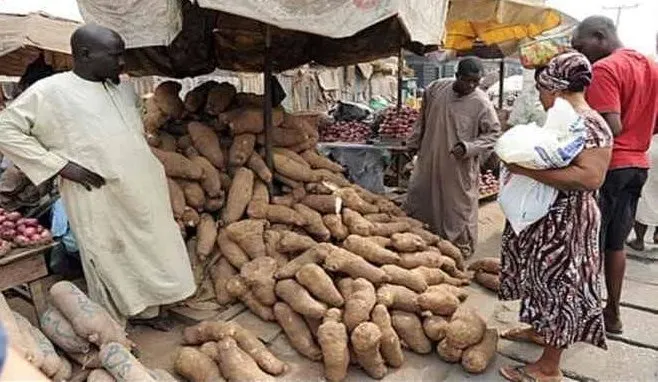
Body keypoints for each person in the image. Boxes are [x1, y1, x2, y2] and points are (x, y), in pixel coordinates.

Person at [0, 24, 196, 325]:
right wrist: (60, 166)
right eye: (115, 56)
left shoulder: (123, 89)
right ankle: (126, 318)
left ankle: (154, 307)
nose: (122, 63)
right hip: (97, 192)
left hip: (142, 187)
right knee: (110, 255)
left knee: (157, 249)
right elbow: (6, 130)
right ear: (85, 55)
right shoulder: (50, 91)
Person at [498, 52, 612, 382]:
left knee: (562, 287)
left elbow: (590, 178)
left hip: (569, 224)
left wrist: (523, 169)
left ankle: (548, 368)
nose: (541, 99)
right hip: (547, 220)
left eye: (542, 91)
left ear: (556, 89)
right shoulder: (563, 119)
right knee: (540, 279)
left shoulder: (590, 125)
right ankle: (538, 331)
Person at [572, 15, 658, 334]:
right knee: (616, 243)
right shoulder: (650, 66)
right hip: (638, 165)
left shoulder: (606, 68)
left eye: (582, 47)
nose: (582, 55)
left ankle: (583, 313)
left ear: (600, 36)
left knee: (588, 242)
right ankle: (613, 314)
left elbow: (611, 125)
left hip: (609, 168)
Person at [405, 57, 501, 257]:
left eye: (477, 82)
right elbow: (421, 120)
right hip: (429, 159)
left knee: (457, 210)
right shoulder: (436, 89)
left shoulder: (481, 102)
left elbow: (492, 135)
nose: (472, 85)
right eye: (468, 80)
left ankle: (458, 251)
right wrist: (413, 144)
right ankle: (423, 242)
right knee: (421, 200)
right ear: (457, 76)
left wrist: (469, 147)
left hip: (458, 168)